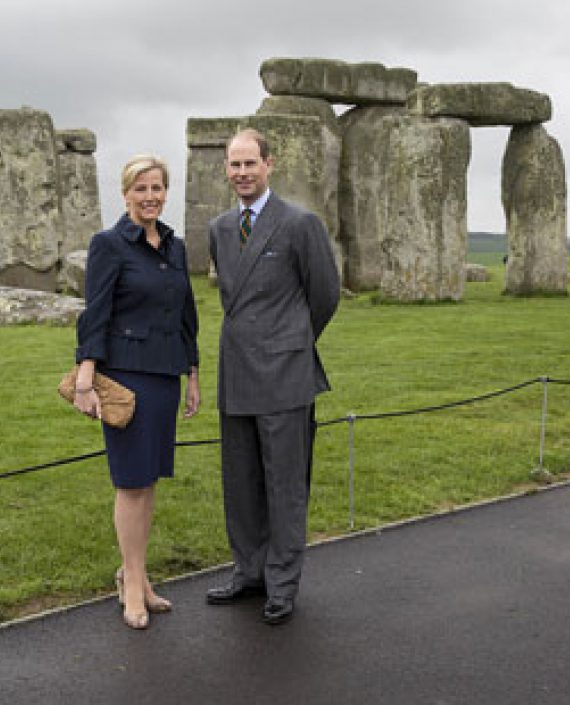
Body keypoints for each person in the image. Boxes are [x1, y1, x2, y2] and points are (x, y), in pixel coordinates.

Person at [206, 128, 340, 625]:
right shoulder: (219, 228)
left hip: (285, 373)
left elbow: (324, 294)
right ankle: (249, 573)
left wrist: (291, 340)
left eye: (250, 164)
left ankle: (282, 583)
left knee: (284, 485)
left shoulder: (300, 224)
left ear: (269, 165)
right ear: (226, 168)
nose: (242, 173)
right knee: (240, 482)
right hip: (237, 369)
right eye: (234, 165)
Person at [73, 155, 201, 630]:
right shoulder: (108, 245)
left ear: (166, 192)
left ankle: (139, 578)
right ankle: (131, 584)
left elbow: (186, 313)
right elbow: (96, 312)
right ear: (125, 194)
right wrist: (86, 376)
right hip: (126, 378)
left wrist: (192, 372)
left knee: (149, 484)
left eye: (157, 188)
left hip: (165, 375)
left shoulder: (175, 246)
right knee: (130, 484)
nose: (150, 196)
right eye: (140, 189)